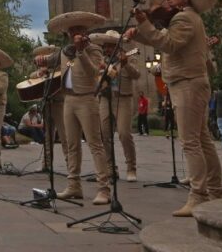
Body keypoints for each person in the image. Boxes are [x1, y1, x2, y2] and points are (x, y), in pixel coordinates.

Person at [123, 0, 222, 217]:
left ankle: (198, 195)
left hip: (188, 83)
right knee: (201, 140)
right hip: (189, 82)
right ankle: (215, 190)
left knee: (191, 141)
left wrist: (145, 24)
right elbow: (165, 39)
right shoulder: (185, 18)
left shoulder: (184, 18)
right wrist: (142, 32)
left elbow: (169, 44)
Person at [41, 11, 112, 206]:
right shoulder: (66, 52)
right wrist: (42, 62)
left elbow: (93, 73)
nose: (75, 33)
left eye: (79, 29)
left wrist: (82, 51)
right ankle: (74, 185)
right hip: (68, 100)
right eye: (72, 30)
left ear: (86, 31)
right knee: (71, 144)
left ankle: (104, 189)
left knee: (95, 144)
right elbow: (59, 64)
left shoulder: (94, 49)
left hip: (87, 99)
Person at [93, 30, 140, 182]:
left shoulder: (129, 56)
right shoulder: (101, 59)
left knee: (124, 133)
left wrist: (125, 65)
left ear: (116, 45)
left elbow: (137, 74)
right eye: (105, 46)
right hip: (105, 98)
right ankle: (110, 168)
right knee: (104, 134)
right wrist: (100, 70)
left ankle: (131, 167)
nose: (106, 49)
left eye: (109, 46)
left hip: (123, 98)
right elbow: (95, 78)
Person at [29, 45, 68, 171]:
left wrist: (49, 72)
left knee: (64, 136)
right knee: (47, 137)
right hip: (47, 103)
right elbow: (32, 76)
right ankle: (46, 164)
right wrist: (40, 72)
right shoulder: (42, 69)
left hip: (60, 103)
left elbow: (64, 77)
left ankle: (70, 165)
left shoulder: (61, 66)